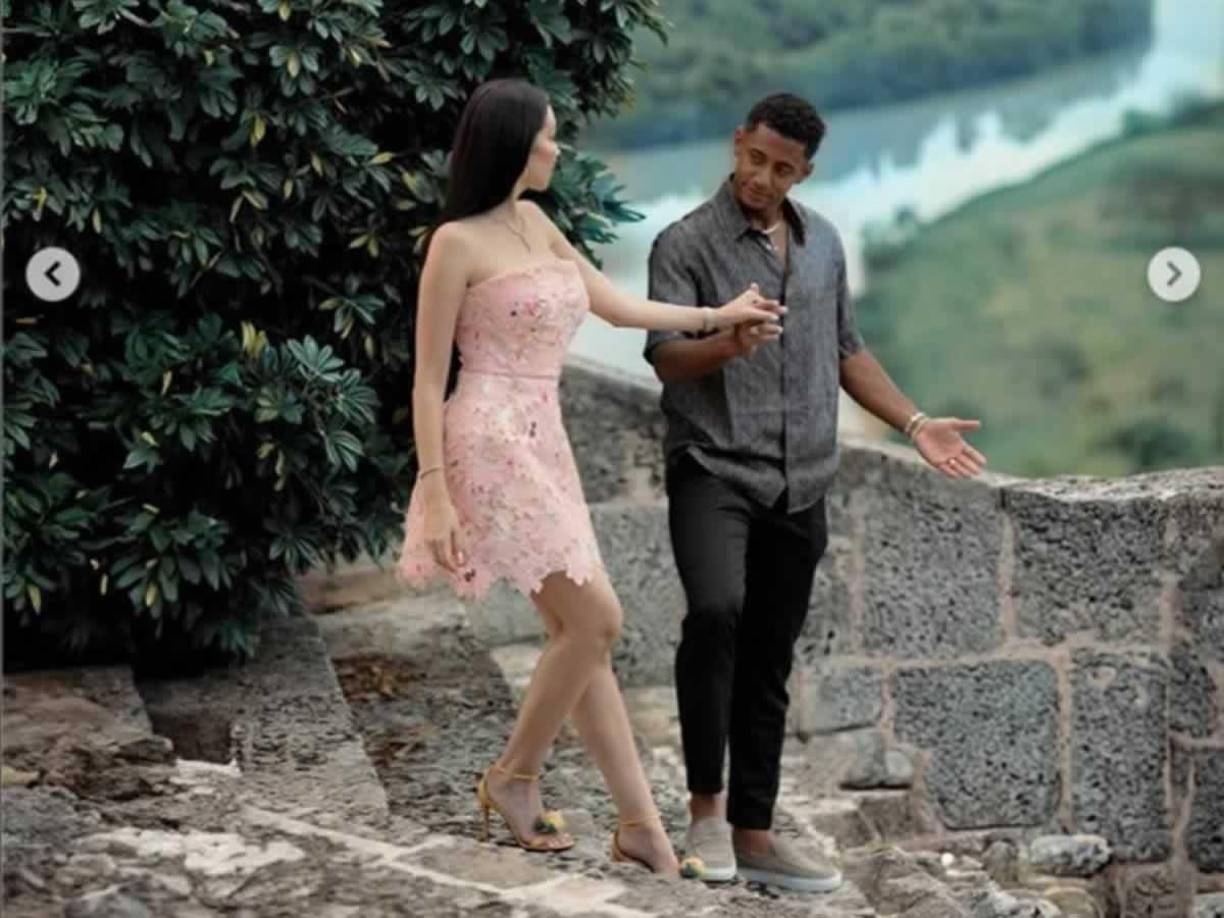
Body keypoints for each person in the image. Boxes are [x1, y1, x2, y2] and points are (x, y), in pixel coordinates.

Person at [396, 78, 784, 879]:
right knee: (596, 620)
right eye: (547, 134)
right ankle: (514, 776)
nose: (557, 146)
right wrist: (434, 489)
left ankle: (641, 827)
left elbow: (611, 304)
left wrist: (717, 314)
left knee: (581, 634)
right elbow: (428, 378)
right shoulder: (455, 243)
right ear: (513, 143)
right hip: (487, 440)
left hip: (545, 439)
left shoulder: (537, 223)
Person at [645, 92, 987, 891]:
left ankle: (755, 834)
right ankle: (705, 812)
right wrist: (727, 340)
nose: (762, 178)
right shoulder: (683, 244)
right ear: (737, 143)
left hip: (801, 484)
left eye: (782, 168)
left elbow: (846, 351)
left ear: (804, 172)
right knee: (715, 612)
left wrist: (915, 423)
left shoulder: (824, 244)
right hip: (713, 468)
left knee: (769, 657)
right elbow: (664, 357)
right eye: (754, 158)